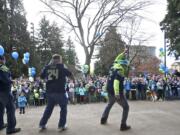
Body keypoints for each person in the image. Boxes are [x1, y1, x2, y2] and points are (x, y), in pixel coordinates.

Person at [39, 54, 74, 131]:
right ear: (58, 60)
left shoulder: (47, 67)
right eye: (60, 59)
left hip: (50, 91)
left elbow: (41, 76)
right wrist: (72, 79)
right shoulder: (62, 66)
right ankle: (61, 125)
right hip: (60, 91)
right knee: (63, 108)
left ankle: (42, 124)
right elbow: (70, 74)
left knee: (48, 108)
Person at [100, 49, 131, 131]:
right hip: (116, 92)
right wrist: (117, 93)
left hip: (109, 90)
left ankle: (103, 119)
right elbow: (116, 82)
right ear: (124, 64)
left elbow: (117, 58)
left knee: (109, 104)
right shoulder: (120, 70)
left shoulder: (113, 66)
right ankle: (123, 125)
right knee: (126, 107)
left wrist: (123, 53)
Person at [0, 55, 21, 134]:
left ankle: (0, 124)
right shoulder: (3, 67)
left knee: (0, 109)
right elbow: (5, 79)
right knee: (11, 109)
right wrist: (12, 81)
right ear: (2, 60)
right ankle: (11, 128)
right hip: (4, 91)